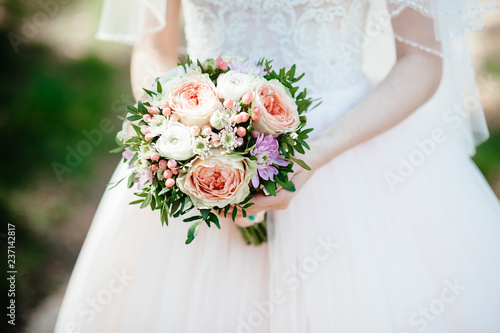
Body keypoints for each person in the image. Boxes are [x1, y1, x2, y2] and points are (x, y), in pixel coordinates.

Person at [55, 0, 500, 332]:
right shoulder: (195, 139)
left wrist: (317, 153)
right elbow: (153, 49)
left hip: (350, 144)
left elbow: (421, 59)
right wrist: (187, 137)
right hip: (204, 139)